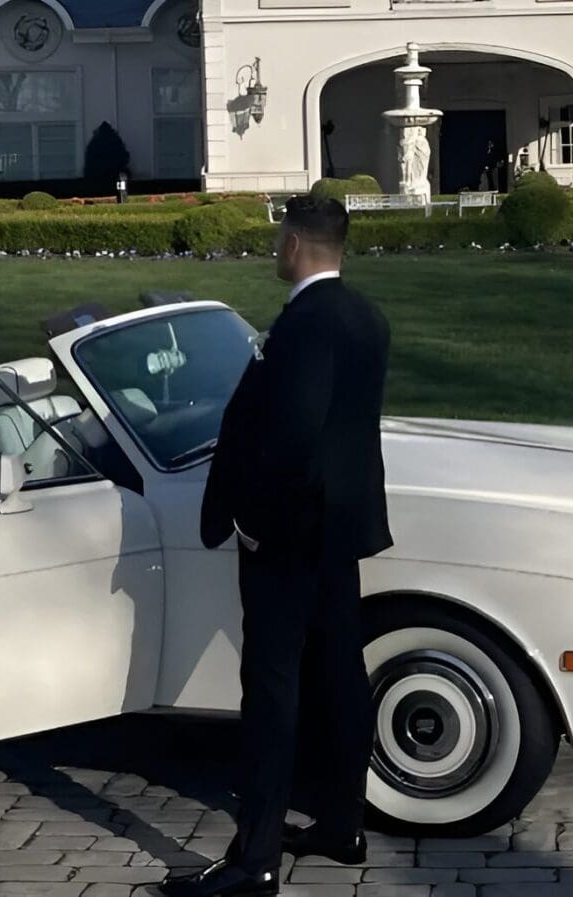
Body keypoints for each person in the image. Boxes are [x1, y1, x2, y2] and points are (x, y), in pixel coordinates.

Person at [168, 196, 393, 897]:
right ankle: (341, 822)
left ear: (295, 243)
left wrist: (255, 520)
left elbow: (292, 435)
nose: (276, 252)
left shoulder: (304, 326)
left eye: (278, 241)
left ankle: (255, 856)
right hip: (342, 526)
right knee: (339, 672)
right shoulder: (366, 317)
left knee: (272, 689)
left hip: (290, 534)